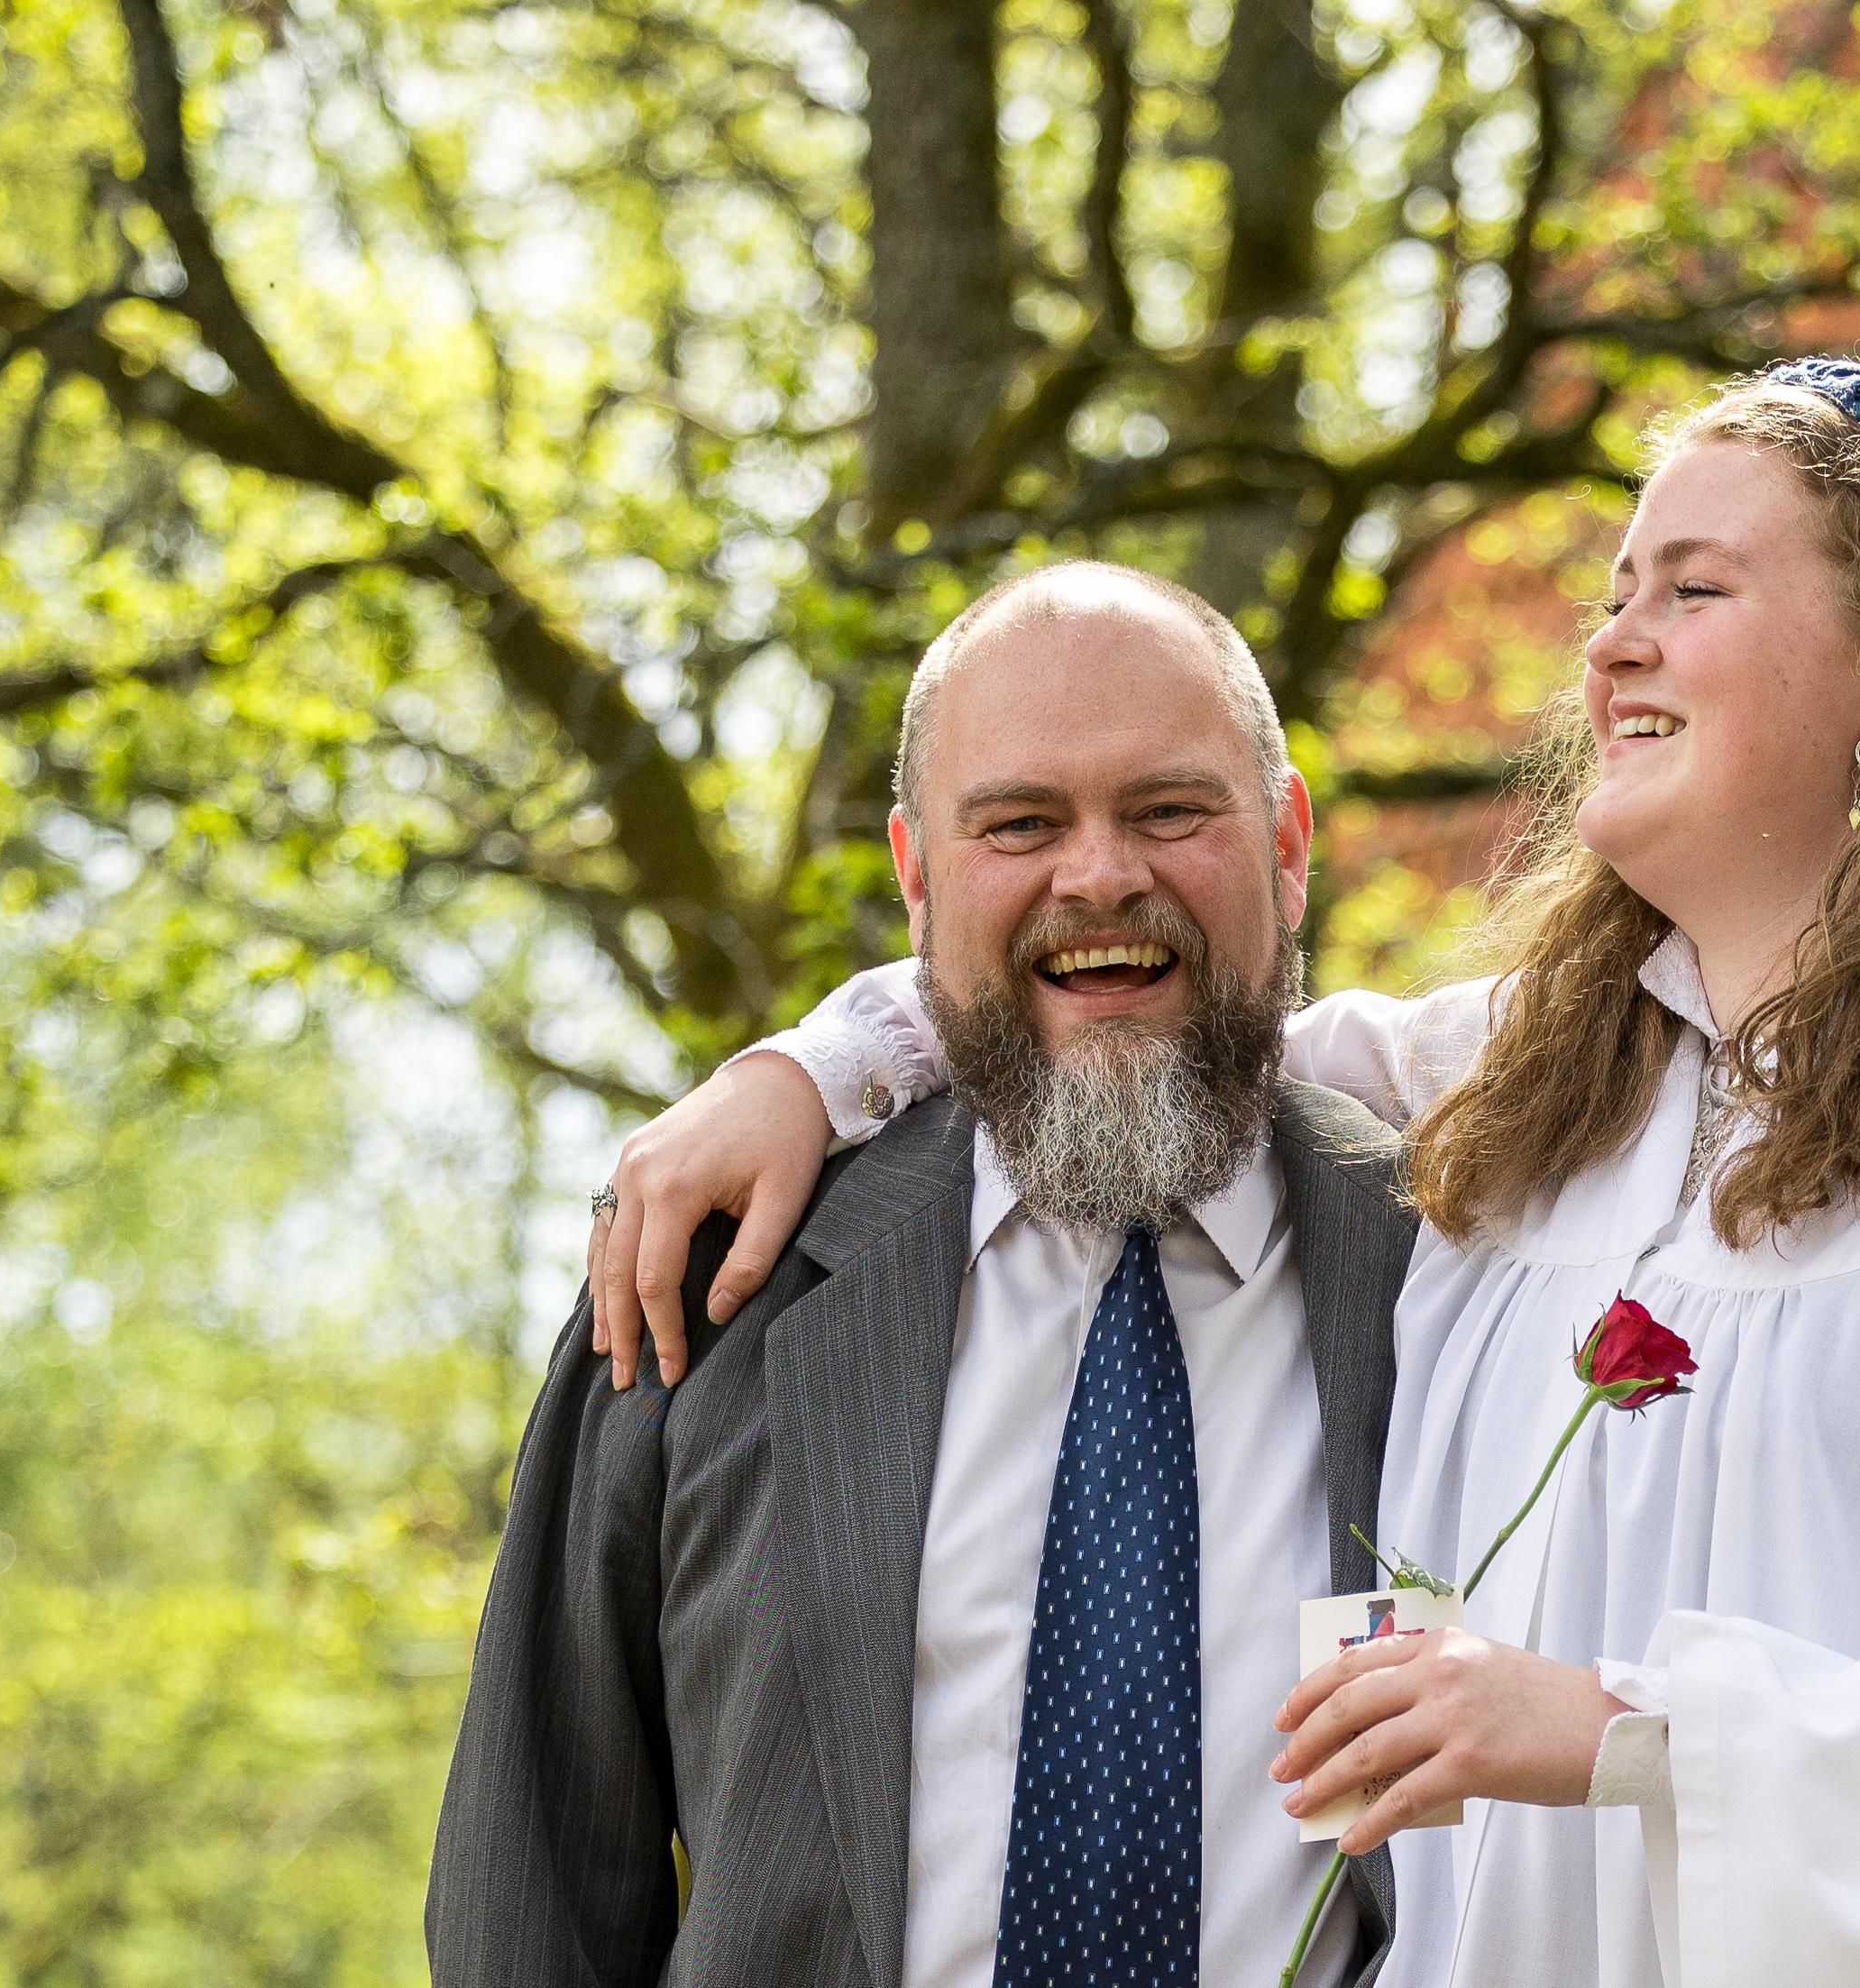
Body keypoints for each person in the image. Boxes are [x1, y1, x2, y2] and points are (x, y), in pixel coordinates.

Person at [590, 358, 1860, 1986]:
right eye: (1615, 597)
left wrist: (1620, 1729)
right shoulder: (1530, 1098)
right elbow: (1128, 996)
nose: (1615, 650)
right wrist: (808, 1066)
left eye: (1693, 592)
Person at [430, 566, 1421, 1988]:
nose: (1099, 874)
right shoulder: (700, 1287)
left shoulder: (1453, 1274)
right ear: (915, 874)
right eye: (1020, 822)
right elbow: (528, 1900)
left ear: (1287, 843)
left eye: (1169, 810)